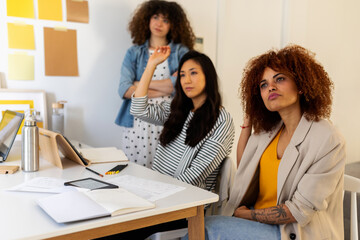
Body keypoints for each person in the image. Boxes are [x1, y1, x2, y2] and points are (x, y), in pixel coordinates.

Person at [199, 45, 346, 240]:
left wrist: (249, 215)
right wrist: (248, 123)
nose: (271, 87)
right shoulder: (270, 130)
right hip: (260, 223)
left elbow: (299, 211)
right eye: (263, 85)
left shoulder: (327, 138)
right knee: (201, 227)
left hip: (295, 232)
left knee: (206, 228)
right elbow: (245, 168)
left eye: (280, 79)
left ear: (302, 85)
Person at [102, 49, 234, 240]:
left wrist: (154, 198)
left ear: (209, 76)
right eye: (182, 75)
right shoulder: (177, 110)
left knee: (111, 229)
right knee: (105, 215)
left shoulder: (222, 120)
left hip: (181, 208)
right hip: (156, 198)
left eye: (193, 73)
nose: (186, 80)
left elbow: (194, 176)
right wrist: (151, 64)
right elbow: (138, 109)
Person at [115, 0, 195, 168]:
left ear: (173, 25)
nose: (159, 23)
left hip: (168, 119)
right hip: (136, 123)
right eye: (156, 17)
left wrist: (141, 84)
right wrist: (166, 87)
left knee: (165, 172)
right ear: (147, 19)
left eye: (166, 20)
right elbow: (123, 88)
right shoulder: (134, 52)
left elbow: (183, 86)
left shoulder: (181, 52)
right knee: (135, 172)